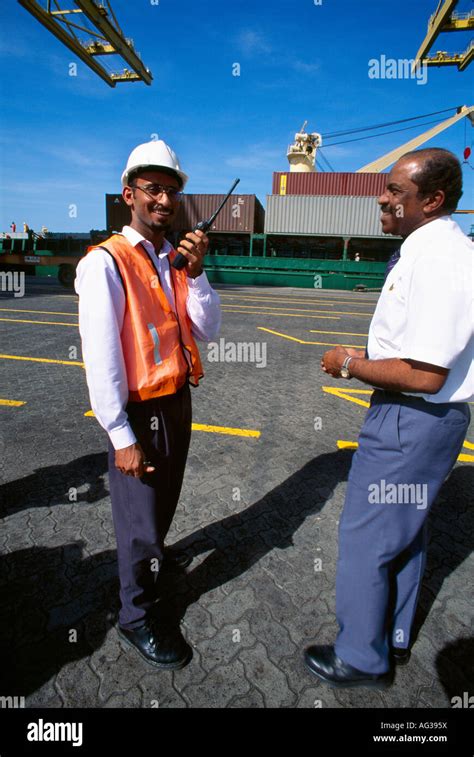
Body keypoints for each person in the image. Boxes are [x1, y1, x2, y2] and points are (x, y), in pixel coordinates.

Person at [304, 147, 473, 688]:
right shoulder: (434, 250)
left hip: (408, 417)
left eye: (396, 191)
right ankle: (392, 637)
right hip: (426, 421)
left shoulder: (438, 256)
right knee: (404, 533)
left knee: (365, 537)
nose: (383, 197)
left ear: (432, 200)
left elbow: (425, 374)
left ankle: (360, 656)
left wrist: (351, 363)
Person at [75, 140, 221, 670]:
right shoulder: (106, 264)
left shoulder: (175, 259)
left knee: (161, 504)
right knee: (138, 520)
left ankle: (157, 559)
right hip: (140, 413)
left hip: (177, 401)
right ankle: (136, 617)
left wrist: (199, 273)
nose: (163, 199)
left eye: (171, 190)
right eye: (152, 188)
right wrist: (120, 436)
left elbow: (207, 327)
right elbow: (102, 356)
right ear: (129, 193)